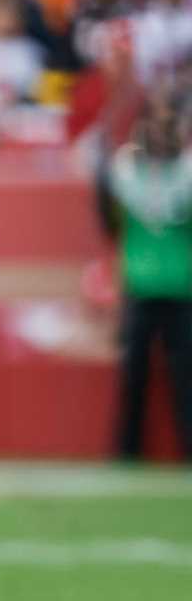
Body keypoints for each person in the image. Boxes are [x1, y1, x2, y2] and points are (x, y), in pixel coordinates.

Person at [97, 92, 192, 460]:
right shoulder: (125, 175)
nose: (159, 132)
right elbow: (109, 221)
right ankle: (127, 450)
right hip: (139, 285)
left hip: (182, 287)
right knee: (133, 377)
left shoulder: (184, 176)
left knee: (184, 378)